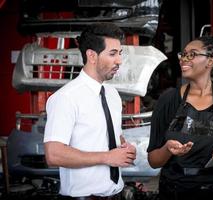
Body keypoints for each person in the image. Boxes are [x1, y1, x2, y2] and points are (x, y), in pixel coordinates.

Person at [147, 36, 213, 200]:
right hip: (175, 191)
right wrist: (167, 149)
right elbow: (154, 161)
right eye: (183, 54)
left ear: (210, 62)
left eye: (192, 54)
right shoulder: (168, 100)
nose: (184, 58)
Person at [44, 22, 136, 200]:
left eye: (120, 53)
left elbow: (111, 135)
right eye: (112, 54)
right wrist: (107, 157)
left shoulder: (112, 94)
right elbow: (53, 154)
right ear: (92, 56)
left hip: (117, 194)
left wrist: (125, 147)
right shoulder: (66, 98)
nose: (119, 61)